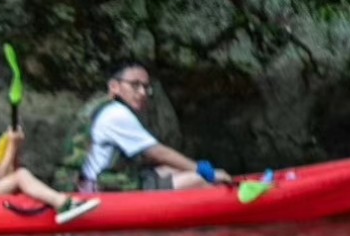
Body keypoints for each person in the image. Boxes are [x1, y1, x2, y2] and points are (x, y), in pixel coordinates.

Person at [55, 61, 233, 192]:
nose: (142, 92)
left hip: (98, 180)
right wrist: (203, 170)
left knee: (169, 170)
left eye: (146, 87)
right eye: (134, 85)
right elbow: (157, 152)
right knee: (198, 180)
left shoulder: (100, 105)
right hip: (98, 190)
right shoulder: (117, 115)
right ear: (114, 86)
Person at [0, 88, 101, 224]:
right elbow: (1, 175)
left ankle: (56, 200)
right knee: (21, 176)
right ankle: (63, 204)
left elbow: (6, 172)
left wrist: (14, 147)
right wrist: (12, 145)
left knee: (20, 175)